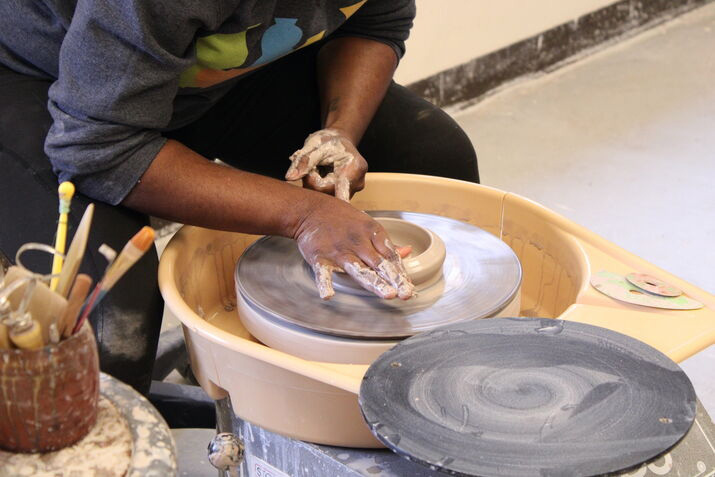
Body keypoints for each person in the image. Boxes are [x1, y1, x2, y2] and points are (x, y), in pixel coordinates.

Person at [0, 0, 479, 394]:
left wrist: (338, 134)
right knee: (106, 316)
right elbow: (97, 147)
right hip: (43, 78)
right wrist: (305, 216)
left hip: (200, 73)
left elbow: (376, 20)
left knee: (433, 154)